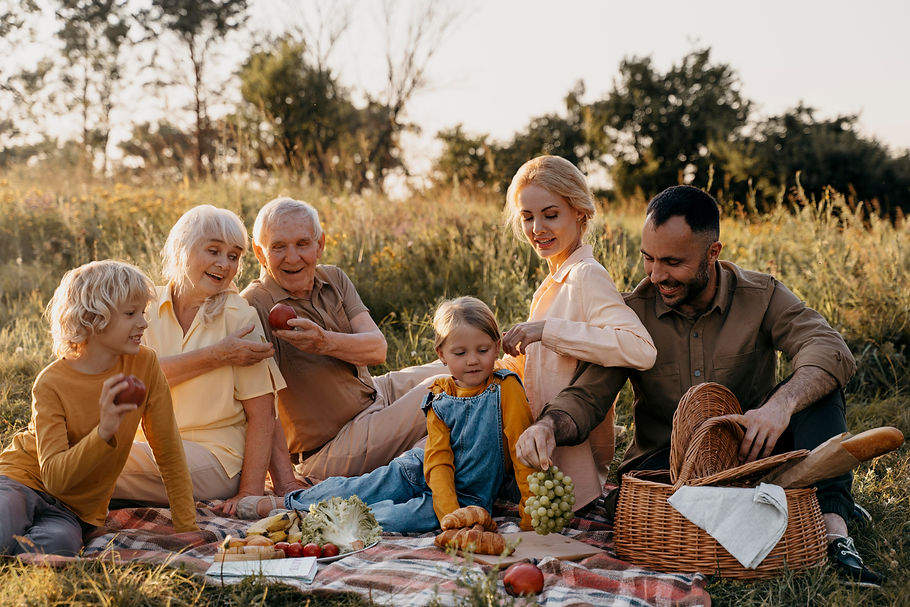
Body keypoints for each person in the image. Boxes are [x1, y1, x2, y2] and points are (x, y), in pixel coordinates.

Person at [515, 184, 882, 587]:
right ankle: (790, 507)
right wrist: (548, 426)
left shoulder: (760, 296)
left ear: (713, 253)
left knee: (819, 390)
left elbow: (828, 348)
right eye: (648, 259)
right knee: (638, 503)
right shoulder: (633, 311)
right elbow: (589, 394)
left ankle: (834, 532)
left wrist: (781, 404)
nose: (656, 275)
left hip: (755, 452)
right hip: (668, 469)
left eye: (672, 262)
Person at [237, 296, 535, 533]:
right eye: (460, 353)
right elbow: (439, 458)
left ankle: (312, 518)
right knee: (359, 489)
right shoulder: (439, 393)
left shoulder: (506, 389)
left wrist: (530, 511)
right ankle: (286, 503)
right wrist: (450, 514)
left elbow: (520, 452)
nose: (472, 361)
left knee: (388, 518)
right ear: (441, 355)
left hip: (466, 497)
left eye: (482, 350)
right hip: (421, 470)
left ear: (497, 347)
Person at [241, 197, 446, 482]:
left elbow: (377, 349)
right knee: (445, 390)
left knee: (458, 367)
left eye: (302, 244)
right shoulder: (254, 306)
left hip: (375, 393)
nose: (292, 257)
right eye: (278, 246)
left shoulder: (333, 278)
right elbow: (261, 407)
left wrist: (324, 342)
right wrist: (284, 484)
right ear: (260, 253)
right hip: (332, 445)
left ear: (320, 245)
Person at [112, 205, 299, 517]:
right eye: (213, 251)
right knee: (79, 455)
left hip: (217, 458)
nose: (224, 264)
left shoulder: (240, 316)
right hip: (149, 443)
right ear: (181, 249)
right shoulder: (144, 306)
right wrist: (216, 356)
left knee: (91, 462)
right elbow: (126, 382)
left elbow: (264, 415)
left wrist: (249, 494)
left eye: (234, 255)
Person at [0, 261, 198, 556]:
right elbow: (54, 477)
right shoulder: (51, 382)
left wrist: (187, 527)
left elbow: (168, 449)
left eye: (142, 312)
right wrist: (104, 431)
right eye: (131, 314)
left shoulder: (145, 364)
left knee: (57, 547)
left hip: (73, 508)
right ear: (93, 319)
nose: (143, 323)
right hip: (21, 481)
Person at [497, 155, 657, 509]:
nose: (537, 227)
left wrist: (546, 330)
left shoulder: (586, 275)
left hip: (565, 475)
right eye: (527, 217)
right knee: (433, 383)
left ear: (580, 213)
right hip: (533, 455)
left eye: (550, 215)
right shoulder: (557, 278)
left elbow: (641, 349)